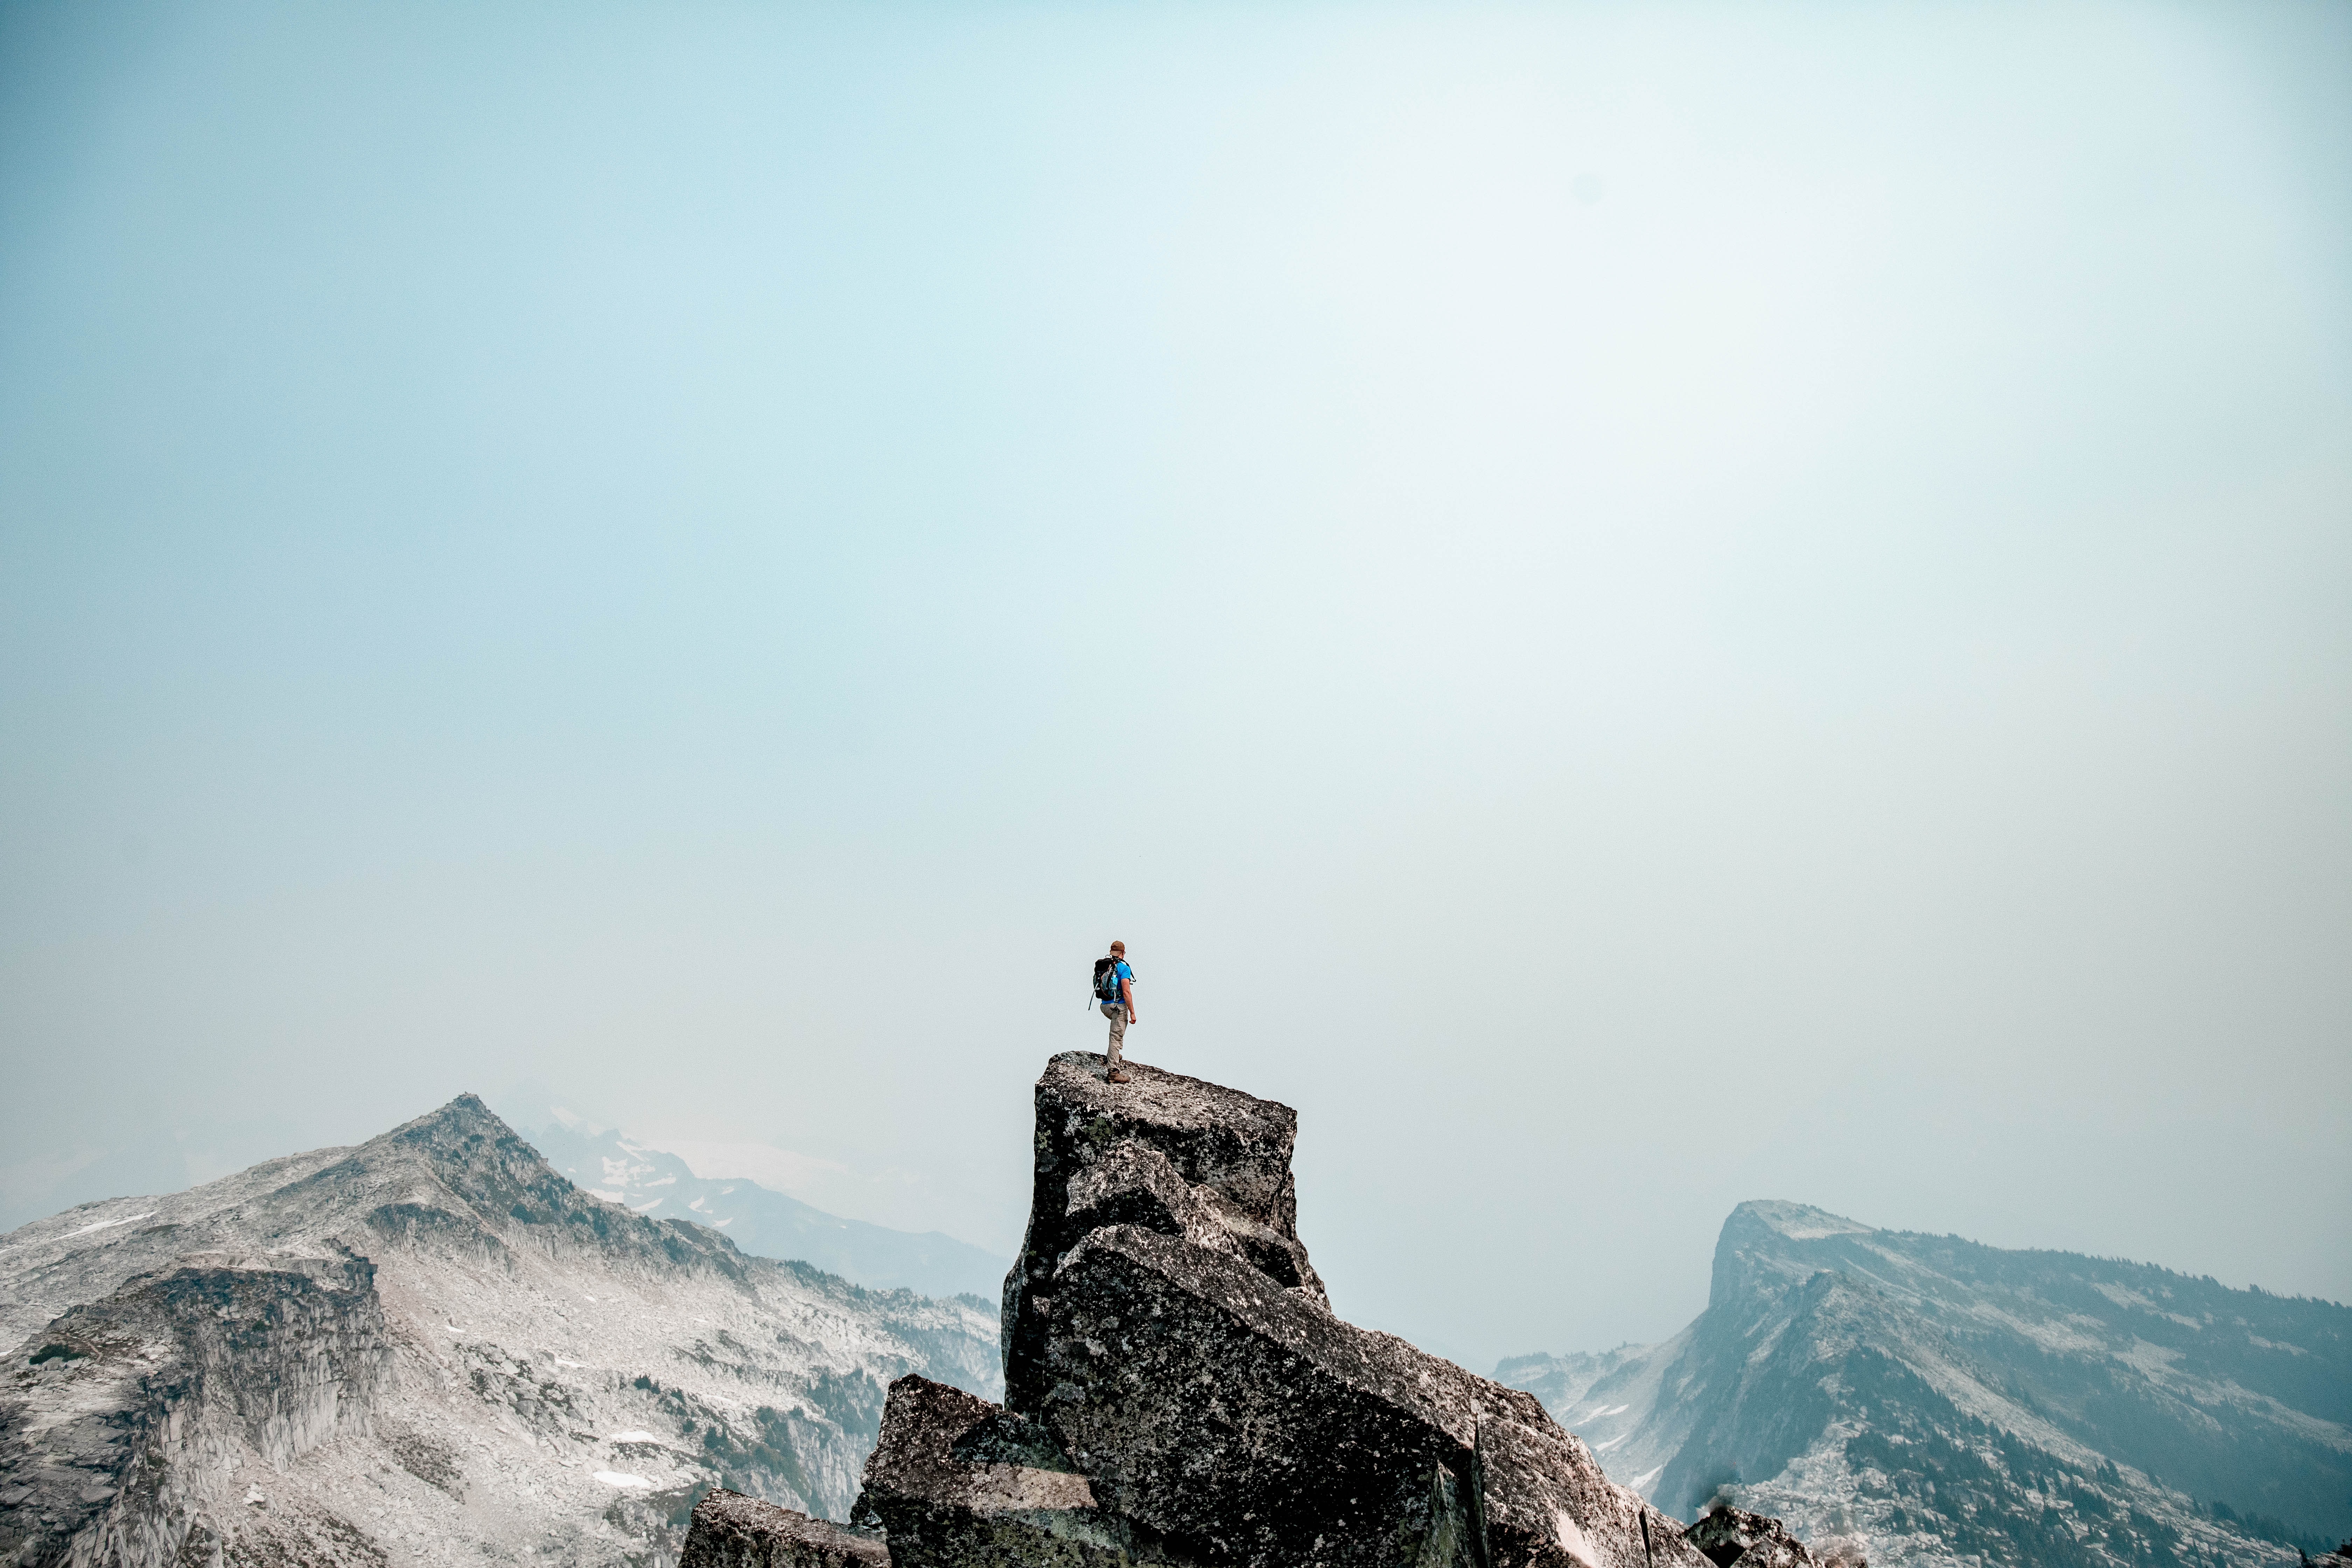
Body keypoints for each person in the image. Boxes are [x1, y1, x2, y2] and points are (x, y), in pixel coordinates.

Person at [1100, 940, 1137, 1084]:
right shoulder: (1123, 968)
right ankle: (1113, 1073)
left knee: (1117, 1031)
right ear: (1123, 953)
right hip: (1118, 1007)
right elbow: (1126, 992)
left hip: (1105, 1007)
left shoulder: (1105, 965)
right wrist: (1132, 1012)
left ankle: (1114, 1055)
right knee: (1116, 1037)